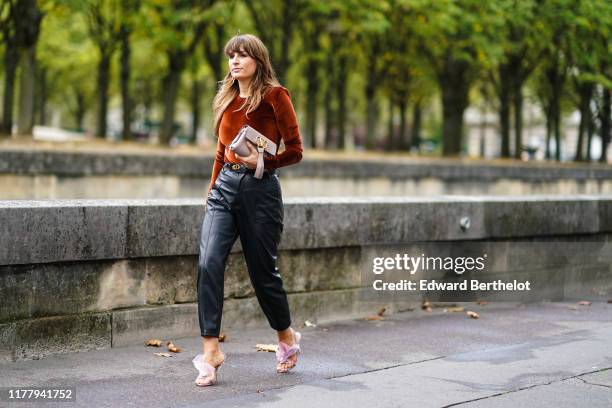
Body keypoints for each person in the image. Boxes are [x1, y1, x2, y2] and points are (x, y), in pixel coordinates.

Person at [193, 33, 304, 387]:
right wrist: (212, 192)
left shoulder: (275, 96)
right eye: (231, 56)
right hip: (225, 189)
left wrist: (264, 160)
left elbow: (297, 150)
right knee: (209, 261)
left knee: (262, 273)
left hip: (260, 192)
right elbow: (220, 150)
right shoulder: (226, 98)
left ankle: (286, 336)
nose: (235, 61)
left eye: (242, 55)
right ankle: (210, 350)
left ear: (258, 60)